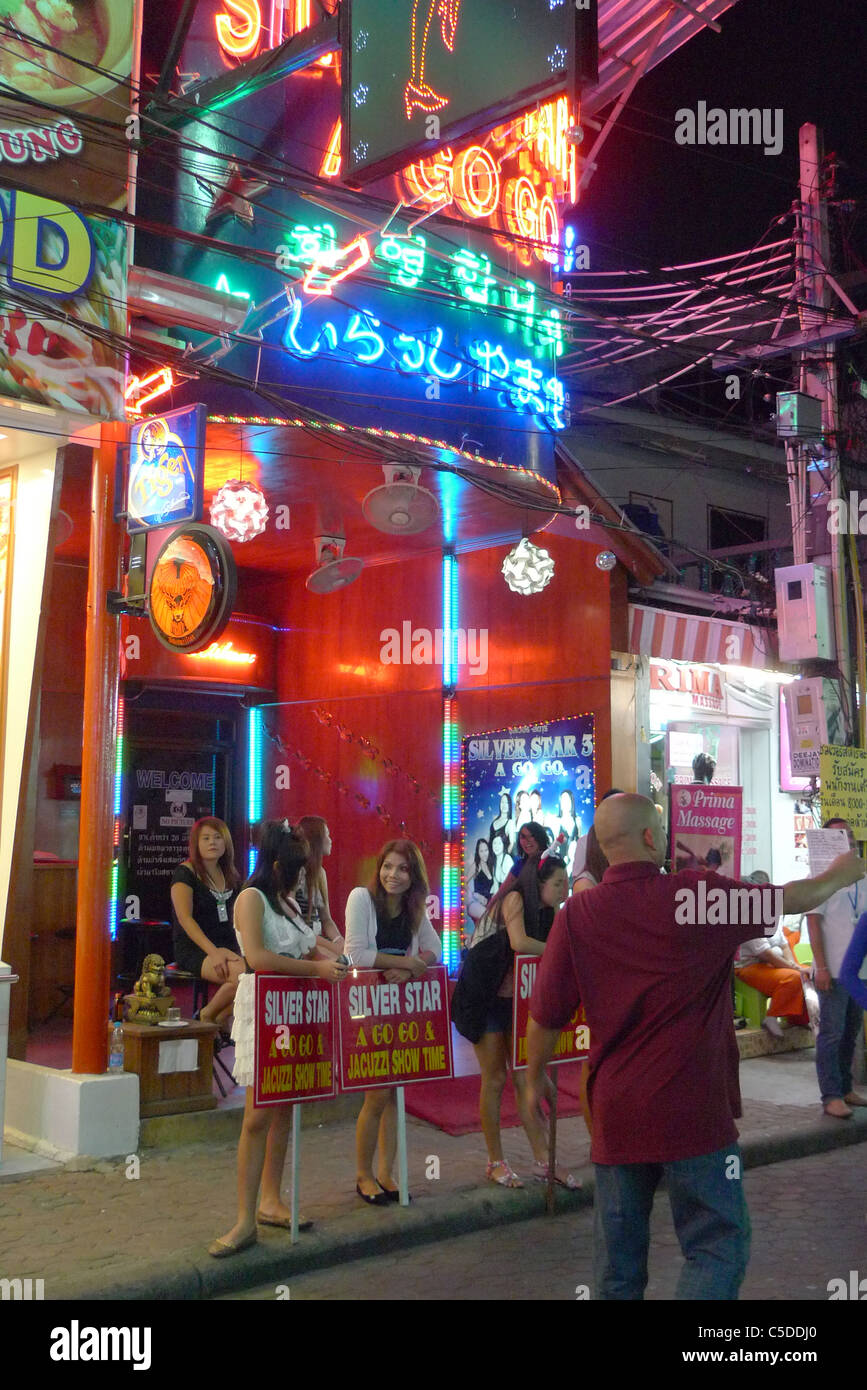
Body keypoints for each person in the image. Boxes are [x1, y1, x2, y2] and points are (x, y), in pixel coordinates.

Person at [525, 793, 864, 1300]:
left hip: (617, 1113)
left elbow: (545, 1015)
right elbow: (793, 898)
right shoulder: (696, 896)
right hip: (695, 1110)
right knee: (718, 1244)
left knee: (617, 1269)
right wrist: (843, 870)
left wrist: (533, 1082)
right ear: (648, 838)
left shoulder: (578, 915)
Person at [208, 820, 347, 1258]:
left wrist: (339, 957)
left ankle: (271, 1200)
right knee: (257, 1115)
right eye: (297, 870)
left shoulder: (286, 902)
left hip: (296, 1011)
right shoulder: (251, 899)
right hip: (266, 1010)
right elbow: (258, 958)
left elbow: (308, 947)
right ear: (275, 865)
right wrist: (319, 969)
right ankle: (244, 1219)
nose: (305, 878)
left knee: (285, 1108)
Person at [460, 855, 575, 1189]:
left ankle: (545, 1160)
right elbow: (520, 943)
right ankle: (495, 1161)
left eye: (566, 882)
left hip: (519, 1001)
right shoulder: (514, 898)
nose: (564, 888)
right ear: (538, 883)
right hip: (485, 995)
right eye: (557, 883)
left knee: (528, 1076)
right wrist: (561, 952)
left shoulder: (551, 911)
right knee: (495, 1077)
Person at [345, 839, 442, 1204]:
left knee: (395, 1093)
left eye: (403, 869)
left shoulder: (415, 908)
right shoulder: (361, 898)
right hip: (365, 1008)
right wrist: (405, 963)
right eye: (388, 866)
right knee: (376, 1094)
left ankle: (386, 1171)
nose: (393, 875)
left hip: (398, 1010)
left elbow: (434, 949)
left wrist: (413, 972)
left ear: (413, 875)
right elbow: (356, 954)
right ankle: (363, 1175)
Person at [806, 817, 867, 1118]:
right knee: (831, 1033)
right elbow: (813, 922)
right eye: (839, 835)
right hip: (833, 968)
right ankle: (830, 1095)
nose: (847, 839)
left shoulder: (862, 875)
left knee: (851, 1031)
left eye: (850, 834)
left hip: (859, 972)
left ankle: (845, 1088)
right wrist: (821, 967)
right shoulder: (820, 877)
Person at [170, 817, 242, 1028]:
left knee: (258, 976)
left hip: (227, 946)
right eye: (206, 838)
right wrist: (214, 952)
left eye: (218, 838)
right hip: (196, 949)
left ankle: (220, 1016)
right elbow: (185, 919)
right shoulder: (185, 873)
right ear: (196, 843)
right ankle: (207, 1014)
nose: (212, 843)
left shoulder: (230, 875)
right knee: (244, 977)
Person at [295, 815, 344, 958]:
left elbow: (326, 918)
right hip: (299, 942)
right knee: (339, 961)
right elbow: (294, 926)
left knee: (346, 959)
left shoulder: (320, 873)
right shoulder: (296, 872)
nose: (330, 840)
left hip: (316, 940)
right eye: (327, 835)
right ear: (316, 840)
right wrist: (333, 947)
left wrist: (339, 940)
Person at [466, 838, 494, 924]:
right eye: (481, 851)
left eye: (486, 850)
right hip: (477, 904)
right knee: (489, 919)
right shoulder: (476, 866)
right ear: (478, 852)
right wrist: (474, 895)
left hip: (490, 904)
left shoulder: (492, 865)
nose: (484, 853)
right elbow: (462, 882)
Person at [488, 792, 515, 860]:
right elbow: (489, 840)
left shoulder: (510, 823)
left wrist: (503, 859)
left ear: (509, 805)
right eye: (502, 802)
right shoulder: (494, 822)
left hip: (503, 861)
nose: (504, 805)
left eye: (507, 803)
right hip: (491, 860)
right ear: (499, 804)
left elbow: (512, 844)